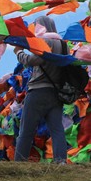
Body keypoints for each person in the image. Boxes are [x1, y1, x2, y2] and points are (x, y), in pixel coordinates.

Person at [14, 15, 69, 164]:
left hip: (38, 91)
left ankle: (19, 162)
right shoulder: (64, 45)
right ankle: (60, 161)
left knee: (26, 130)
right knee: (57, 129)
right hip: (56, 93)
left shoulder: (45, 41)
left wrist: (19, 53)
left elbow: (32, 61)